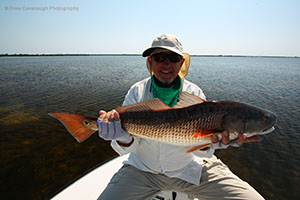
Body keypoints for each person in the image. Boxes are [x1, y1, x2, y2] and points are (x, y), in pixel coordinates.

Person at [97, 34, 264, 200]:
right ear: (150, 62)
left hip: (188, 171)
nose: (166, 64)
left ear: (181, 62)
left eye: (173, 58)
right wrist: (121, 138)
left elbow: (201, 152)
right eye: (160, 57)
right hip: (143, 171)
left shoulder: (194, 93)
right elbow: (126, 148)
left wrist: (210, 144)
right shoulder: (137, 91)